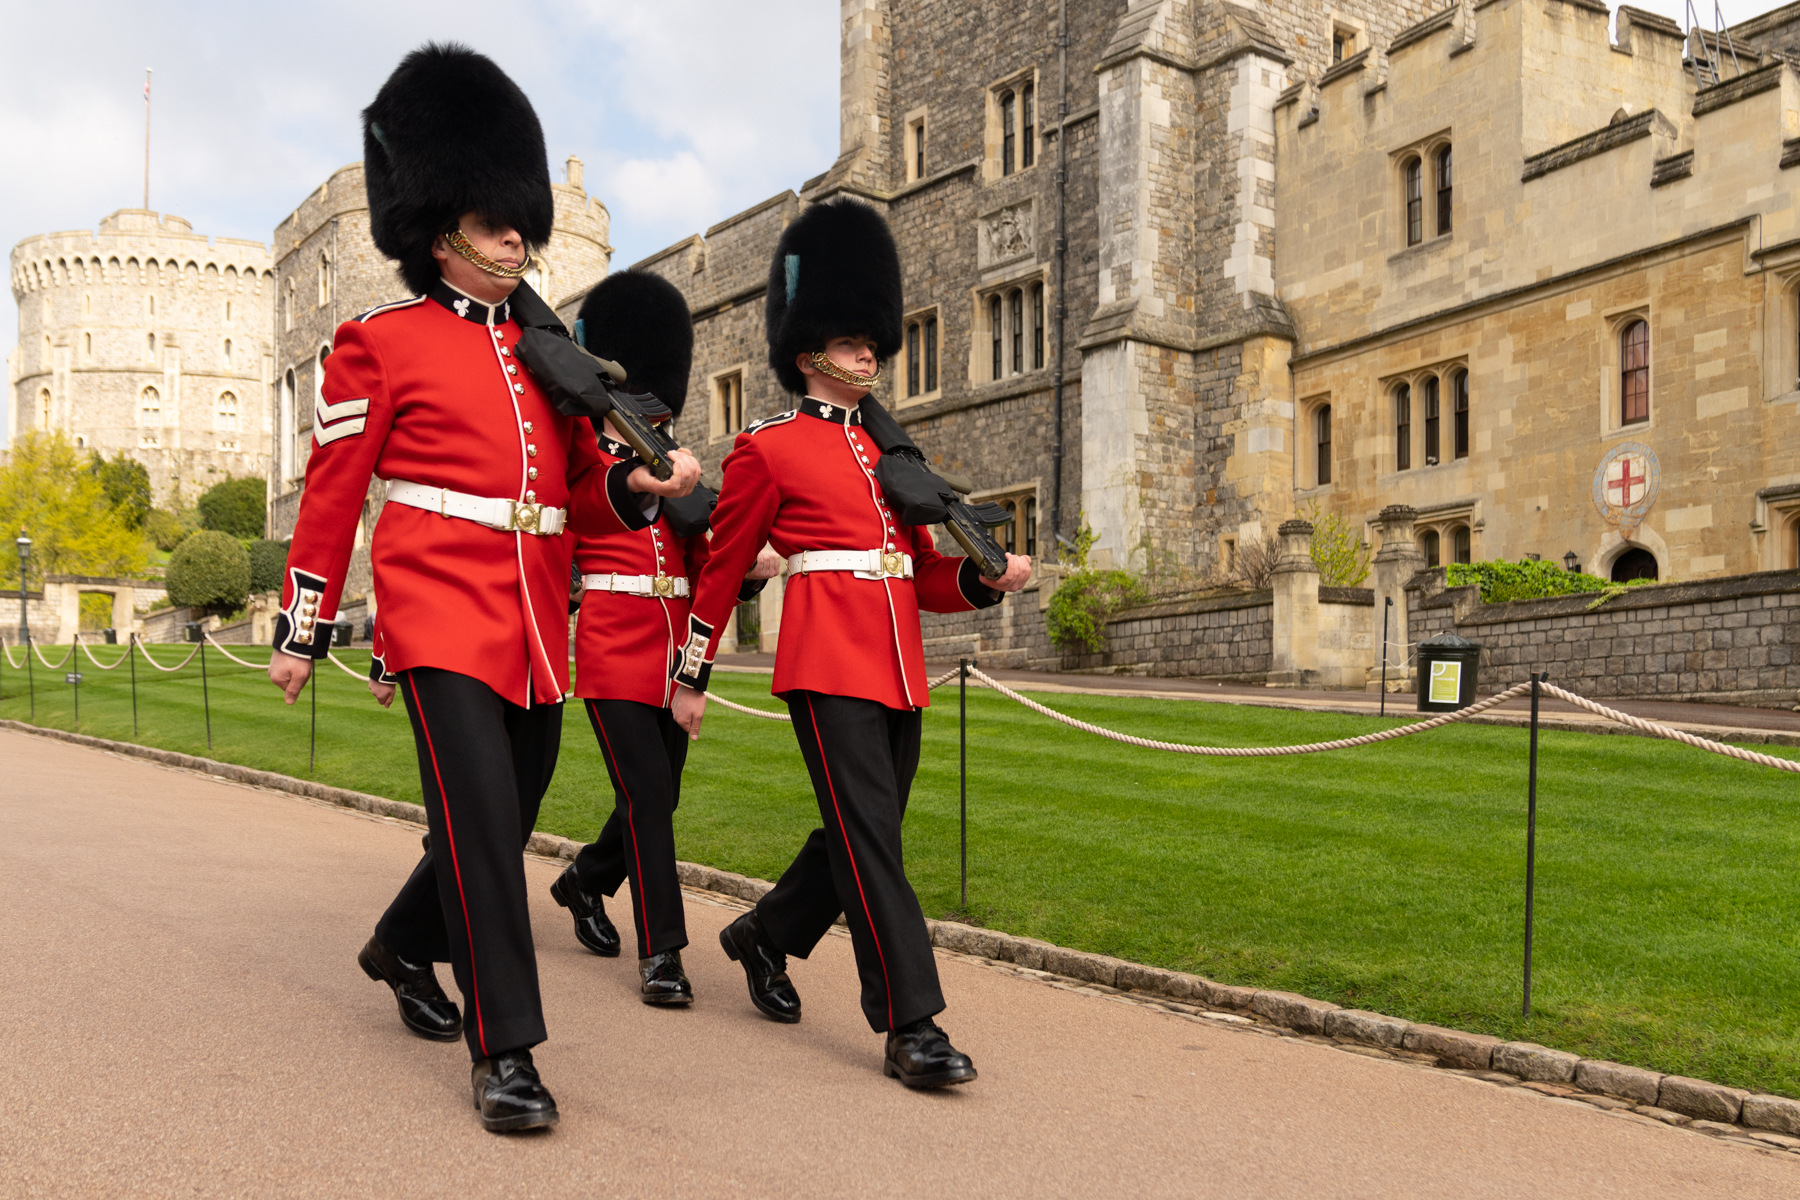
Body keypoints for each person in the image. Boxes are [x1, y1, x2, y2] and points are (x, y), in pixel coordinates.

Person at [264, 44, 699, 1133]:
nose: (521, 237)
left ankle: (400, 945)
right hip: (434, 609)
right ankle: (505, 1049)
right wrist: (305, 625)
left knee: (498, 820)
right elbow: (334, 492)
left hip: (533, 622)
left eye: (524, 221)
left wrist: (640, 484)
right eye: (501, 221)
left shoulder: (549, 360)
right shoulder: (380, 343)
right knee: (479, 812)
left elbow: (580, 503)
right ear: (440, 225)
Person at [669, 198, 1032, 1088]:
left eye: (872, 340)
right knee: (874, 845)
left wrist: (983, 578)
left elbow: (919, 577)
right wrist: (692, 671)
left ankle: (765, 934)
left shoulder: (892, 461)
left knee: (857, 834)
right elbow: (719, 570)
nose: (870, 351)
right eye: (850, 340)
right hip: (827, 665)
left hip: (899, 668)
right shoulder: (770, 449)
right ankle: (912, 1024)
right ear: (808, 352)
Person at [546, 269, 780, 1002]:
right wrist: (646, 483)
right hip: (613, 650)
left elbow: (706, 560)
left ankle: (584, 882)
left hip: (672, 649)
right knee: (647, 794)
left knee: (657, 797)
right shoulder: (587, 462)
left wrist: (753, 567)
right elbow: (580, 521)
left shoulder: (673, 470)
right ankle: (662, 953)